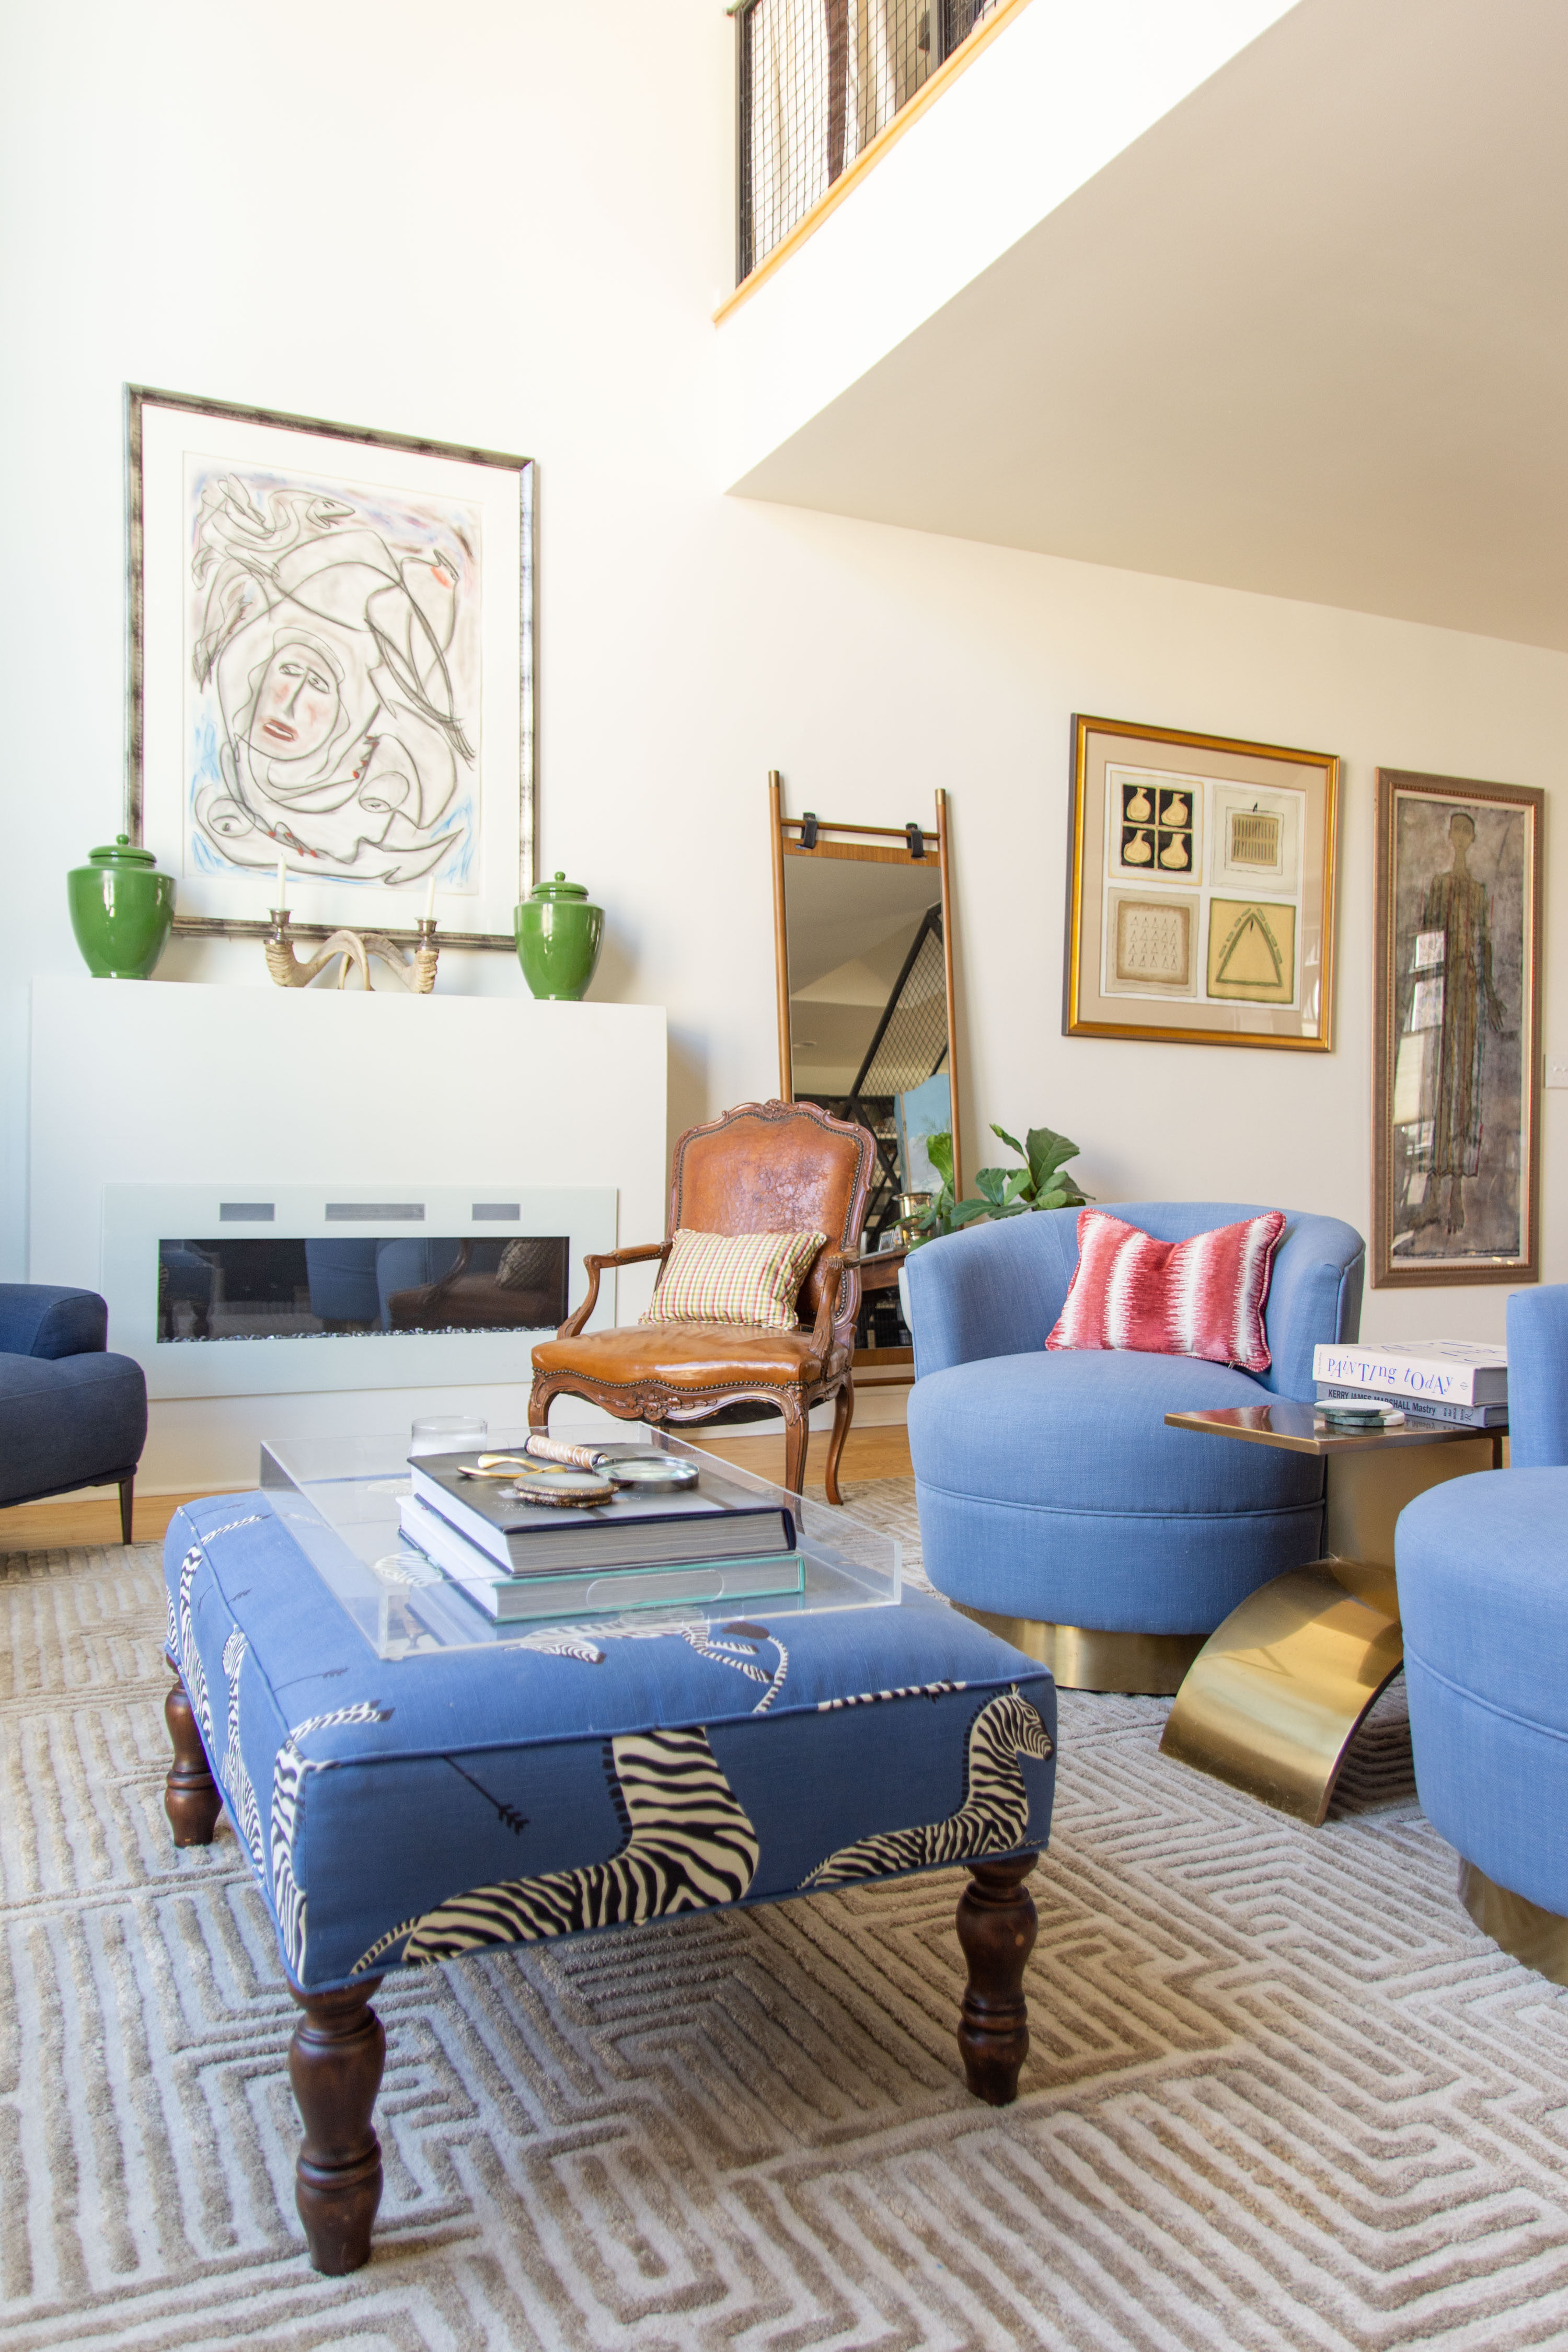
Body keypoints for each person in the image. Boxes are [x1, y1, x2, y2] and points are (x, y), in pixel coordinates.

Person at [188, 474, 476, 885]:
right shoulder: (225, 786)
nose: (289, 703)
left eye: (319, 686)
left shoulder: (386, 794)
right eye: (288, 671)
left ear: (348, 712)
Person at [1410, 810, 1506, 1236]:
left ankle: (1455, 1196)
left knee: (1464, 1090)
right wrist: (1424, 994)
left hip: (1468, 998)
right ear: (1450, 835)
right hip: (1441, 997)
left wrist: (1491, 994)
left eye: (1469, 830)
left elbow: (1483, 945)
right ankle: (1433, 1195)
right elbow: (1428, 941)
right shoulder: (1441, 886)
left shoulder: (1478, 892)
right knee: (1437, 1087)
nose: (1462, 836)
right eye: (1458, 829)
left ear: (1473, 837)